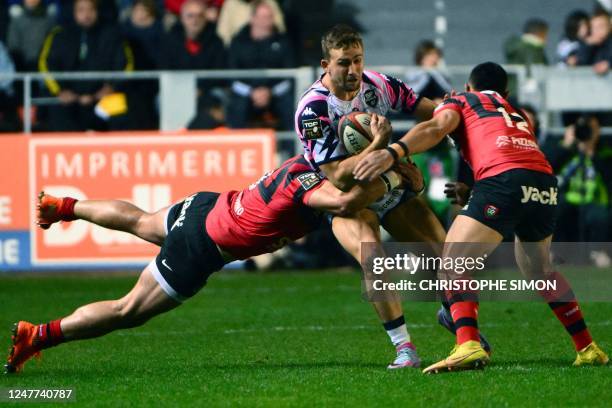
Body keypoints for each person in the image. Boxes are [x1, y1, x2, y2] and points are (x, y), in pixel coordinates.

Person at [5, 148, 412, 374]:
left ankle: (65, 206)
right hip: (202, 244)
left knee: (141, 221)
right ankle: (38, 335)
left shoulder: (304, 161)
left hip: (207, 205)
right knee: (128, 310)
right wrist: (394, 177)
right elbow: (343, 201)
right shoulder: (312, 187)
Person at [354, 62, 609, 373]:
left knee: (452, 261)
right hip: (542, 184)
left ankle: (468, 343)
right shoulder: (514, 111)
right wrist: (477, 190)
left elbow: (435, 128)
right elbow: (512, 154)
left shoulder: (461, 100)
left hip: (503, 183)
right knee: (540, 269)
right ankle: (587, 347)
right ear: (506, 92)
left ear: (470, 87)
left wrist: (391, 152)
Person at [294, 24, 453, 369]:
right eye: (342, 63)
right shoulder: (313, 108)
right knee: (373, 256)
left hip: (387, 186)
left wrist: (457, 109)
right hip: (347, 199)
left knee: (447, 254)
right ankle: (404, 348)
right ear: (325, 64)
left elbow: (425, 108)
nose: (352, 71)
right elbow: (338, 175)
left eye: (357, 61)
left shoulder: (379, 85)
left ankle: (452, 313)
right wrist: (385, 148)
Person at [38, 0, 134, 131]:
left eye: (91, 10)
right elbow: (46, 64)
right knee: (57, 114)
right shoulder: (58, 34)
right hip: (69, 100)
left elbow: (125, 64)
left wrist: (111, 87)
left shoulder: (112, 34)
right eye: (81, 10)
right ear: (74, 12)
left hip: (103, 98)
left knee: (121, 112)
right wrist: (60, 90)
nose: (87, 14)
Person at [227, 0, 296, 130]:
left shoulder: (283, 41)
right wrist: (251, 92)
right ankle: (238, 147)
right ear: (252, 18)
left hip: (276, 93)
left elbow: (289, 76)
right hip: (246, 93)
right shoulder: (238, 42)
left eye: (270, 17)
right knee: (237, 106)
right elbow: (231, 77)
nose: (267, 21)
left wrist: (270, 92)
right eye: (263, 17)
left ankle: (290, 149)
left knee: (291, 105)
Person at [6, 0, 55, 72]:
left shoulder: (49, 20)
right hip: (22, 67)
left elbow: (53, 44)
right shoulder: (17, 20)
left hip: (45, 66)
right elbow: (13, 46)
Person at [406, 40, 452, 105]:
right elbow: (412, 92)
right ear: (422, 57)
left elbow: (448, 90)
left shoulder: (441, 74)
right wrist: (427, 73)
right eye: (431, 55)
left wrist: (433, 72)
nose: (434, 58)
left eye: (436, 55)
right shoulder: (414, 73)